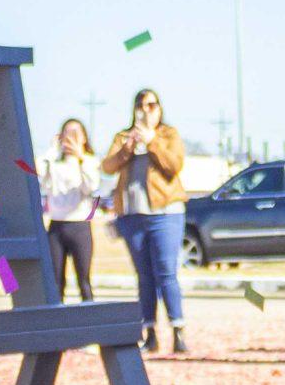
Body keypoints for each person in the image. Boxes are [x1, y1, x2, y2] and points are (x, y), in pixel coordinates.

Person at [102, 88, 189, 353]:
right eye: (141, 105)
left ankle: (178, 330)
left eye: (151, 105)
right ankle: (149, 333)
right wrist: (127, 149)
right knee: (144, 276)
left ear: (160, 108)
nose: (146, 109)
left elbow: (174, 166)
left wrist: (152, 141)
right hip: (133, 215)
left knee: (166, 272)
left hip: (166, 214)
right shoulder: (123, 136)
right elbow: (107, 166)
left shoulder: (168, 134)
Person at [41, 118, 100, 302]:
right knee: (56, 280)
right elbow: (40, 177)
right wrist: (52, 150)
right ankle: (56, 322)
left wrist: (81, 158)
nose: (71, 138)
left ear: (84, 137)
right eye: (67, 133)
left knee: (84, 280)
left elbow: (92, 186)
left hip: (80, 225)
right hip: (57, 226)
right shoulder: (54, 163)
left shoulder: (90, 161)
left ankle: (90, 323)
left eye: (76, 133)